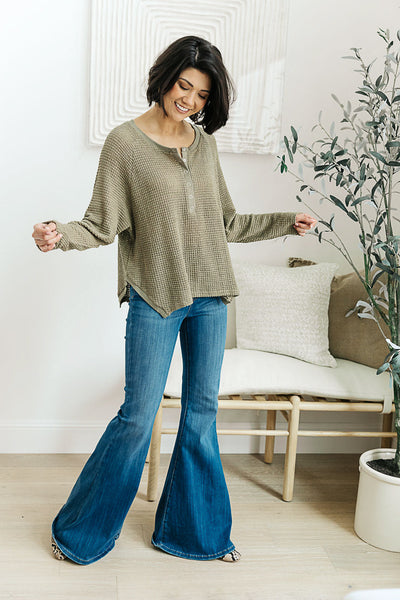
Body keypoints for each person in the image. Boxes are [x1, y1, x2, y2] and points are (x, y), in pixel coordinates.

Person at [32, 35, 316, 565]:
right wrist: (59, 235)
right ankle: (80, 534)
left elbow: (226, 222)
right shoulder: (125, 144)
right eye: (184, 86)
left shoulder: (203, 145)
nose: (190, 100)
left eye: (202, 94)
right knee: (137, 417)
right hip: (155, 297)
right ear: (164, 78)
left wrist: (285, 222)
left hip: (210, 297)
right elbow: (101, 223)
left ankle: (195, 535)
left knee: (201, 414)